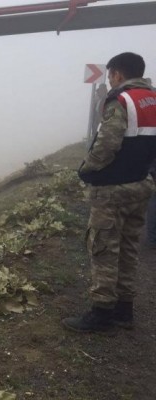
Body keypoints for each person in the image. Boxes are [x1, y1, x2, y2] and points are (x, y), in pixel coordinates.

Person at [63, 52, 156, 334]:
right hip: (140, 186)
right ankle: (123, 309)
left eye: (109, 74)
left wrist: (87, 170)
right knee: (129, 248)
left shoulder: (120, 100)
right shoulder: (151, 99)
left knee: (103, 247)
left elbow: (106, 143)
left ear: (117, 73)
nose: (109, 79)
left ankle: (101, 313)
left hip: (112, 189)